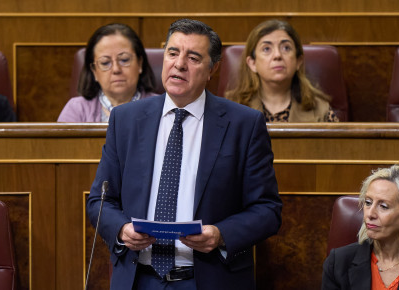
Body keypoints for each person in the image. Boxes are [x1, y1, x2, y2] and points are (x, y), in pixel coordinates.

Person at [86, 19, 282, 289]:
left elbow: (268, 210)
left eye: (193, 57)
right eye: (173, 53)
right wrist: (122, 230)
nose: (179, 64)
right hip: (138, 278)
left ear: (212, 68)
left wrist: (221, 234)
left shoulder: (244, 125)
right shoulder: (126, 120)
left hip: (207, 278)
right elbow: (100, 200)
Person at [225, 19, 338, 122]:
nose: (277, 55)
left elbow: (339, 145)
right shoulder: (230, 109)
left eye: (286, 48)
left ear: (298, 61)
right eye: (266, 49)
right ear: (253, 63)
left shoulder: (319, 109)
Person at [57, 23, 158, 122]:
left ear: (140, 64)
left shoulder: (161, 107)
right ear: (94, 71)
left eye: (124, 60)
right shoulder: (76, 109)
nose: (116, 69)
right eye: (105, 63)